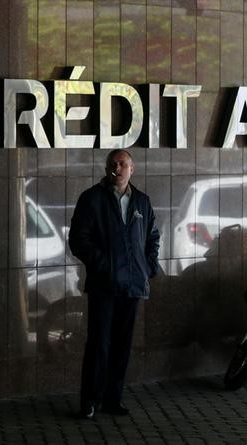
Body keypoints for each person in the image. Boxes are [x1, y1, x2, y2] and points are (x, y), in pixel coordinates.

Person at [69, 149, 160, 419]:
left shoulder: (142, 202)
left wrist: (149, 266)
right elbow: (78, 240)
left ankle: (113, 399)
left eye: (123, 164)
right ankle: (90, 401)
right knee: (99, 343)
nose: (117, 168)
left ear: (132, 169)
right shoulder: (92, 199)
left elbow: (152, 237)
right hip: (104, 284)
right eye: (113, 164)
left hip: (132, 284)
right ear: (107, 168)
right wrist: (104, 263)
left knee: (122, 344)